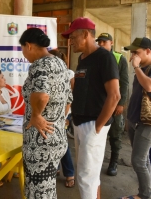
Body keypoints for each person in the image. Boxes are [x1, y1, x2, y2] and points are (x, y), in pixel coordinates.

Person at [61, 17, 120, 199]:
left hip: (93, 124)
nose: (70, 41)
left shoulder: (104, 57)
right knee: (90, 175)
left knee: (86, 177)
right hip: (80, 123)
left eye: (73, 37)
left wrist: (97, 128)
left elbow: (115, 95)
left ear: (86, 34)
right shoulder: (82, 58)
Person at [19, 28, 72, 198]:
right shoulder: (59, 63)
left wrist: (36, 116)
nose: (24, 55)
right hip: (56, 138)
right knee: (47, 190)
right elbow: (69, 98)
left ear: (28, 46)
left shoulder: (39, 65)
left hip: (40, 143)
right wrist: (59, 121)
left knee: (38, 192)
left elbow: (41, 96)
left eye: (22, 49)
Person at [120, 37, 151, 199]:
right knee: (143, 160)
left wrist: (136, 66)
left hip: (147, 123)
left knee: (138, 161)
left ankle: (145, 195)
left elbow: (149, 86)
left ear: (148, 51)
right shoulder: (141, 68)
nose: (133, 56)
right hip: (134, 120)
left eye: (136, 52)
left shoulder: (144, 67)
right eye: (132, 53)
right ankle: (147, 190)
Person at [96, 33, 129, 176]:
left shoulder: (119, 58)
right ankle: (98, 161)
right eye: (100, 42)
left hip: (114, 103)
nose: (102, 44)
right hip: (99, 103)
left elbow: (125, 82)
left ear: (111, 42)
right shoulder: (95, 57)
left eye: (105, 42)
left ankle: (113, 162)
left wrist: (121, 104)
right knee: (98, 134)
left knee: (115, 134)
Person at [49, 49, 75, 188]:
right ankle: (56, 168)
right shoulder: (49, 73)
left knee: (63, 145)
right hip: (51, 115)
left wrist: (64, 117)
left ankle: (70, 173)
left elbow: (69, 98)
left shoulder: (69, 74)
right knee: (52, 142)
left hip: (63, 114)